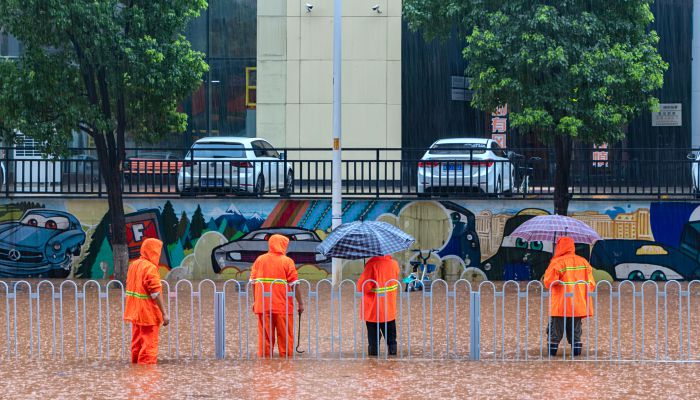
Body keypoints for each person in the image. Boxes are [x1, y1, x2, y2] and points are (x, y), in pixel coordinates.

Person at [250, 234, 304, 358]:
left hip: (263, 306)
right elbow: (295, 284)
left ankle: (265, 366)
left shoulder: (259, 260)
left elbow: (253, 283)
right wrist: (300, 303)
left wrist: (255, 301)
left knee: (265, 339)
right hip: (282, 307)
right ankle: (286, 367)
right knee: (285, 339)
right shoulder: (287, 261)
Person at [542, 236, 596, 357]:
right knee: (576, 333)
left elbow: (548, 282)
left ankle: (552, 359)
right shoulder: (583, 262)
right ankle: (576, 359)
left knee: (555, 333)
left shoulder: (557, 263)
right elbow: (591, 284)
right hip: (578, 304)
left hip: (560, 305)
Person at [124, 238, 170, 364]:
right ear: (153, 252)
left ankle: (135, 376)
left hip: (135, 313)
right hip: (148, 315)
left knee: (137, 345)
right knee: (148, 348)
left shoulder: (134, 265)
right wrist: (164, 313)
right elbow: (155, 293)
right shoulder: (150, 268)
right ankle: (146, 378)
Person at [357, 255, 400, 356]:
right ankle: (393, 355)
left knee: (373, 338)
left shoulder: (371, 265)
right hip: (389, 308)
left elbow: (362, 287)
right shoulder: (394, 264)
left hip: (373, 310)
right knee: (391, 337)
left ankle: (373, 359)